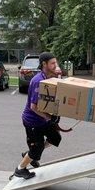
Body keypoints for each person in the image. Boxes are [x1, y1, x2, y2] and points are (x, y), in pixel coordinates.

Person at [13, 52, 62, 180]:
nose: (55, 65)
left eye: (55, 63)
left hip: (42, 119)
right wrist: (49, 117)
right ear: (44, 64)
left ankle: (30, 155)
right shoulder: (38, 81)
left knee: (55, 138)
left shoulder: (48, 77)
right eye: (52, 63)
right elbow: (33, 107)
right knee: (38, 146)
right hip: (32, 121)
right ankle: (20, 169)